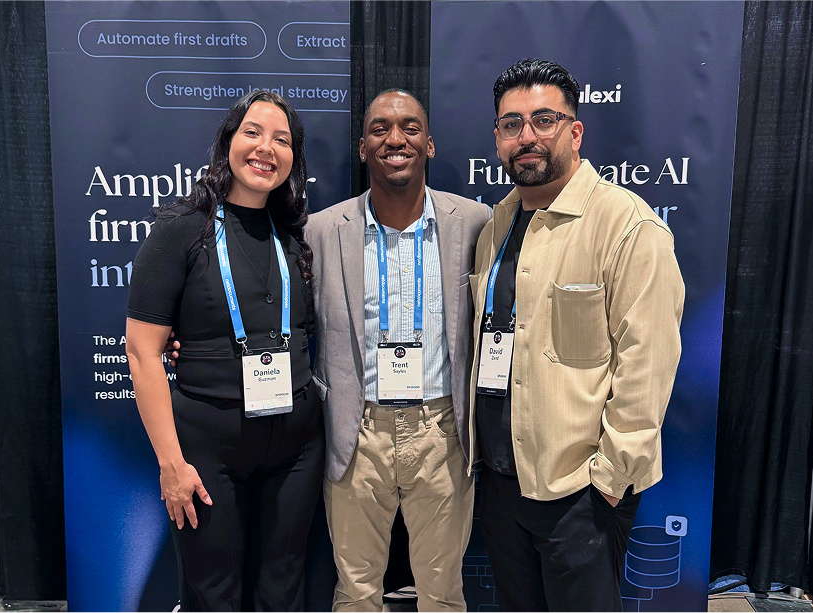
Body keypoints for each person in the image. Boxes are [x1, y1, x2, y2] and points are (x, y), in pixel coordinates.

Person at [467, 58, 685, 611]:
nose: (527, 136)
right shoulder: (497, 224)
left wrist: (609, 479)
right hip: (501, 481)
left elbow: (648, 363)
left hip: (578, 492)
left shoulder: (627, 226)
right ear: (497, 139)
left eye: (544, 119)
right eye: (511, 124)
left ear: (575, 131)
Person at [125, 90, 324, 612]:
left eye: (282, 139)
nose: (266, 149)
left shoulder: (293, 234)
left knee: (283, 589)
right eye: (253, 132)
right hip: (206, 447)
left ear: (294, 160)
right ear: (228, 142)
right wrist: (172, 464)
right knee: (214, 594)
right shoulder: (180, 229)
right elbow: (144, 353)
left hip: (296, 446)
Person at [305, 89, 491, 611]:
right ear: (363, 148)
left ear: (429, 145)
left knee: (443, 592)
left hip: (442, 432)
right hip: (355, 432)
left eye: (409, 127)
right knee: (357, 592)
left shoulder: (475, 223)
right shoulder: (322, 231)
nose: (395, 138)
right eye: (380, 128)